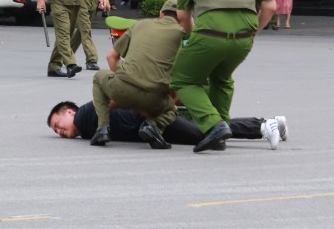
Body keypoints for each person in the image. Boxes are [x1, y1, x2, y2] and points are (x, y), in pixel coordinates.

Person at [169, 0, 277, 153]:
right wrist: (253, 31)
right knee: (222, 78)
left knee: (183, 80)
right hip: (244, 38)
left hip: (210, 34)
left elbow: (182, 15)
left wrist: (190, 35)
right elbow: (270, 6)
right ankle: (220, 131)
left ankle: (213, 124)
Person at [87, 0, 185, 148]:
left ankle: (103, 129)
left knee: (98, 77)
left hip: (122, 88)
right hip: (153, 96)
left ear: (160, 14)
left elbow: (111, 57)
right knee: (172, 110)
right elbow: (179, 78)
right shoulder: (181, 34)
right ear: (181, 18)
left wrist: (123, 81)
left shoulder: (140, 24)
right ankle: (153, 126)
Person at [47, 100, 287, 149]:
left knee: (205, 133)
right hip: (153, 121)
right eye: (56, 132)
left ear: (70, 111)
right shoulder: (88, 121)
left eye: (59, 124)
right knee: (206, 130)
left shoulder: (84, 115)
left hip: (154, 119)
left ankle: (263, 126)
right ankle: (270, 124)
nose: (60, 132)